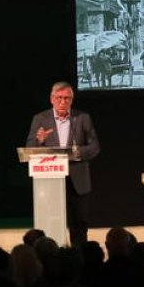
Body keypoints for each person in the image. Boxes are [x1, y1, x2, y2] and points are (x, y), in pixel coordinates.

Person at [27, 82, 101, 246]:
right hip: (50, 180)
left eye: (67, 98)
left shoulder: (82, 118)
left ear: (72, 100)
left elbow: (94, 147)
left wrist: (75, 153)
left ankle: (80, 258)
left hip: (77, 180)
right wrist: (40, 141)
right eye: (59, 98)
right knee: (51, 222)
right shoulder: (40, 119)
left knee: (79, 224)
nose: (63, 102)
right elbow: (29, 149)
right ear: (52, 99)